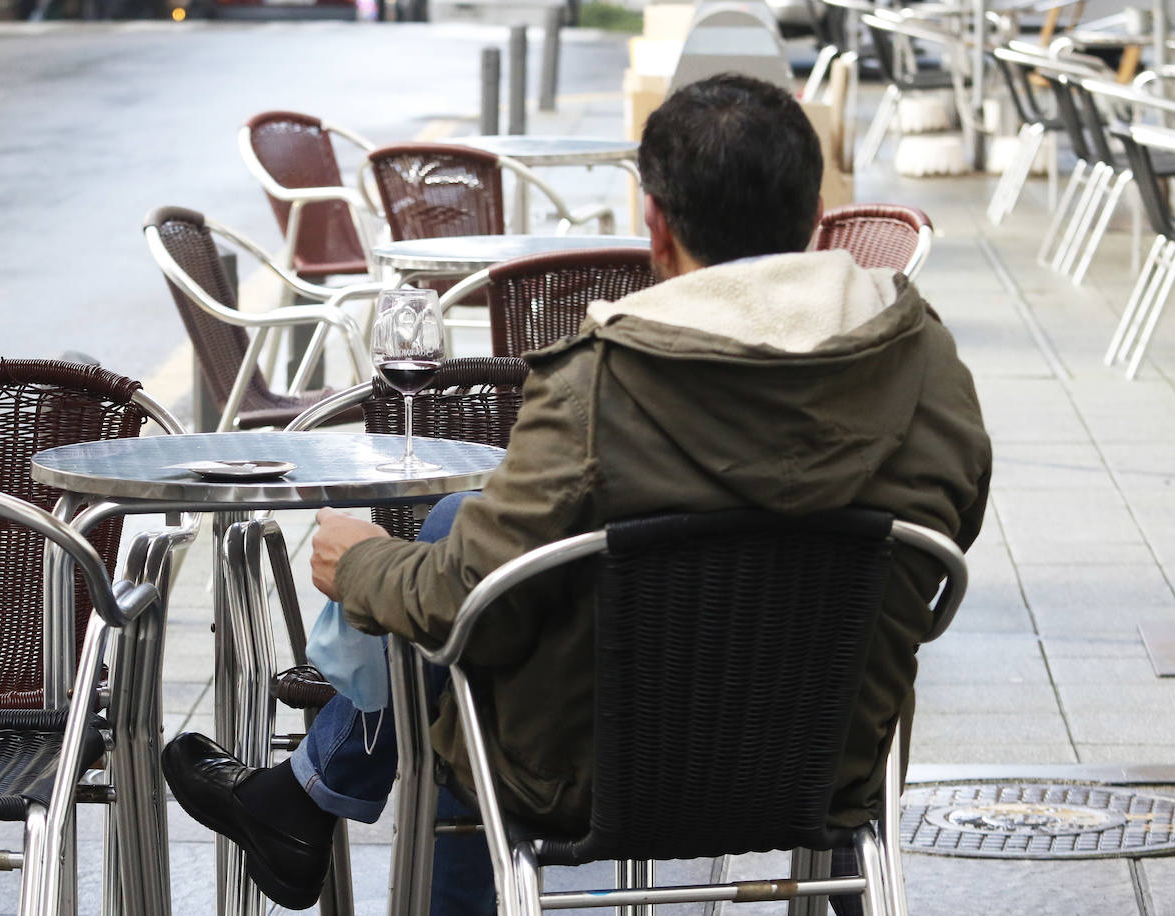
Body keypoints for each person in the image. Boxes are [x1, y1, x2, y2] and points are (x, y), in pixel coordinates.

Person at [162, 72, 993, 914]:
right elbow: (945, 542)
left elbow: (465, 598)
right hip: (832, 761)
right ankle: (301, 799)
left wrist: (364, 564)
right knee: (464, 532)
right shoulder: (929, 367)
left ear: (656, 225)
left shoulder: (601, 389)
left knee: (472, 668)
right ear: (816, 220)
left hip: (593, 777)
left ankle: (306, 799)